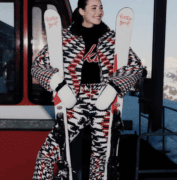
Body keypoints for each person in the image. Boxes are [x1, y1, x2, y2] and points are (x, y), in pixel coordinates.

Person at [31, 0, 143, 179]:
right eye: (94, 7)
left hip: (103, 99)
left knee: (101, 158)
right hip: (74, 98)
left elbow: (135, 66)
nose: (99, 11)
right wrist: (58, 84)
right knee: (48, 152)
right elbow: (38, 66)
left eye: (101, 7)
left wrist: (114, 86)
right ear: (82, 11)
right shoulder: (64, 38)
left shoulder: (112, 38)